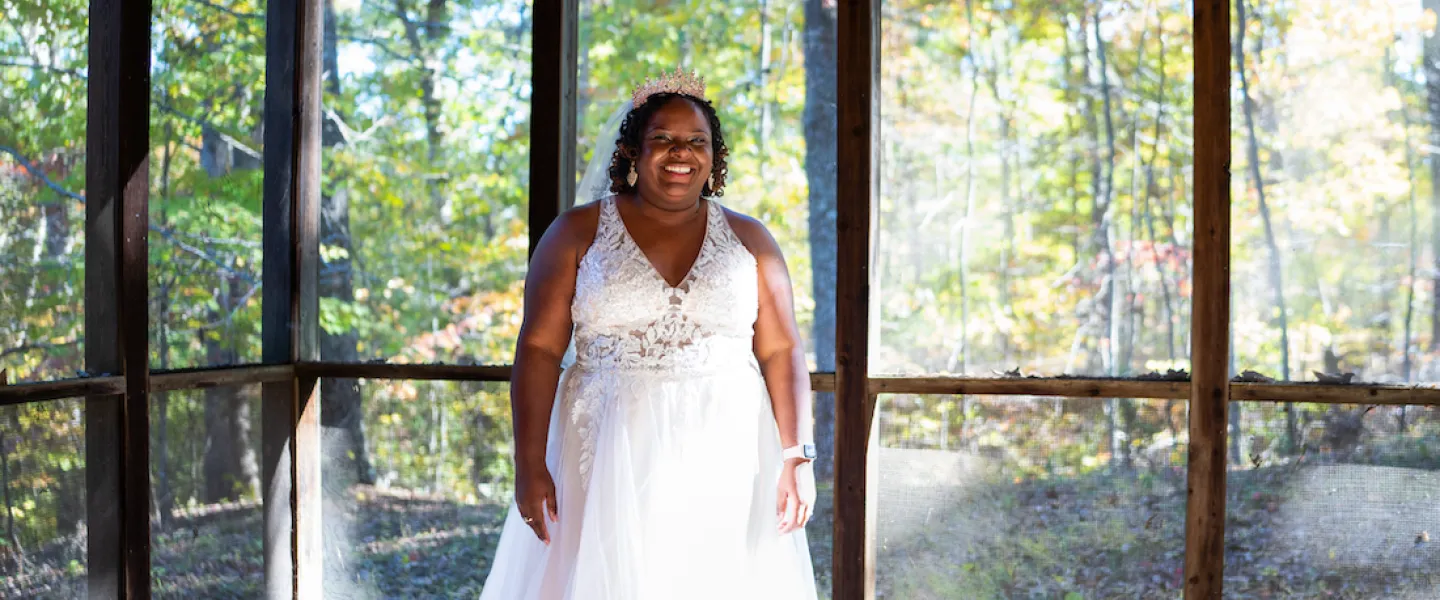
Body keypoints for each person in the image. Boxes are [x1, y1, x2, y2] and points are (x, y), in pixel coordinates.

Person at [477, 68, 820, 600]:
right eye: (662, 138)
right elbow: (540, 349)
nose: (680, 152)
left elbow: (781, 349)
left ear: (714, 155)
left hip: (726, 452)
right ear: (633, 151)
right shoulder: (576, 231)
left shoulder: (750, 238)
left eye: (695, 141)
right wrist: (527, 462)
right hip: (605, 450)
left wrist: (798, 457)